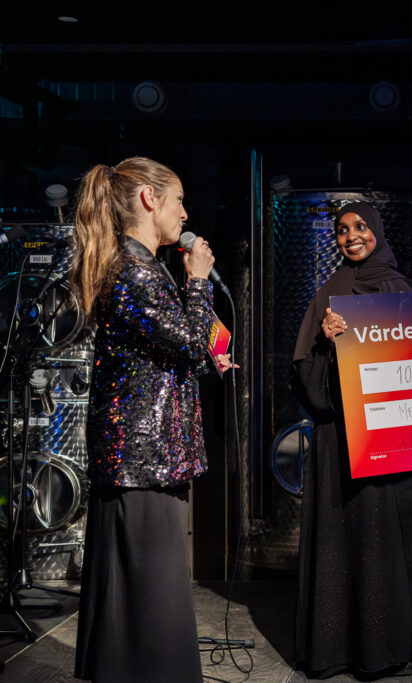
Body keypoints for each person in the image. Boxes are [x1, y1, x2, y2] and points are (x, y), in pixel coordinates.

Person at [291, 202, 412, 679]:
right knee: (372, 540)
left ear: (376, 230)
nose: (351, 236)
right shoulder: (328, 297)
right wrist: (327, 345)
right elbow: (307, 383)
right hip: (355, 443)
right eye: (341, 230)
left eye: (360, 226)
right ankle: (377, 649)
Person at [70, 157, 233, 682]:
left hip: (141, 456)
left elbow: (169, 350)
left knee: (138, 589)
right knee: (151, 590)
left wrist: (210, 352)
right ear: (148, 199)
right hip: (142, 458)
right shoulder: (133, 271)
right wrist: (199, 282)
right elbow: (185, 343)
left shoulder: (141, 267)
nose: (185, 213)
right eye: (178, 200)